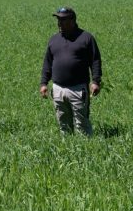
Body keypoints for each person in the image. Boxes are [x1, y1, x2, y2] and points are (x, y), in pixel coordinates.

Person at [40, 7, 102, 136]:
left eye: (63, 20)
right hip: (58, 89)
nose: (59, 23)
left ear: (73, 21)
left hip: (78, 89)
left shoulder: (86, 38)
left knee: (82, 124)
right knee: (63, 123)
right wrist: (44, 83)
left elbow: (95, 61)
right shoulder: (54, 40)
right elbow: (47, 63)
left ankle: (86, 150)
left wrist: (95, 81)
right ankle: (68, 148)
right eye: (58, 20)